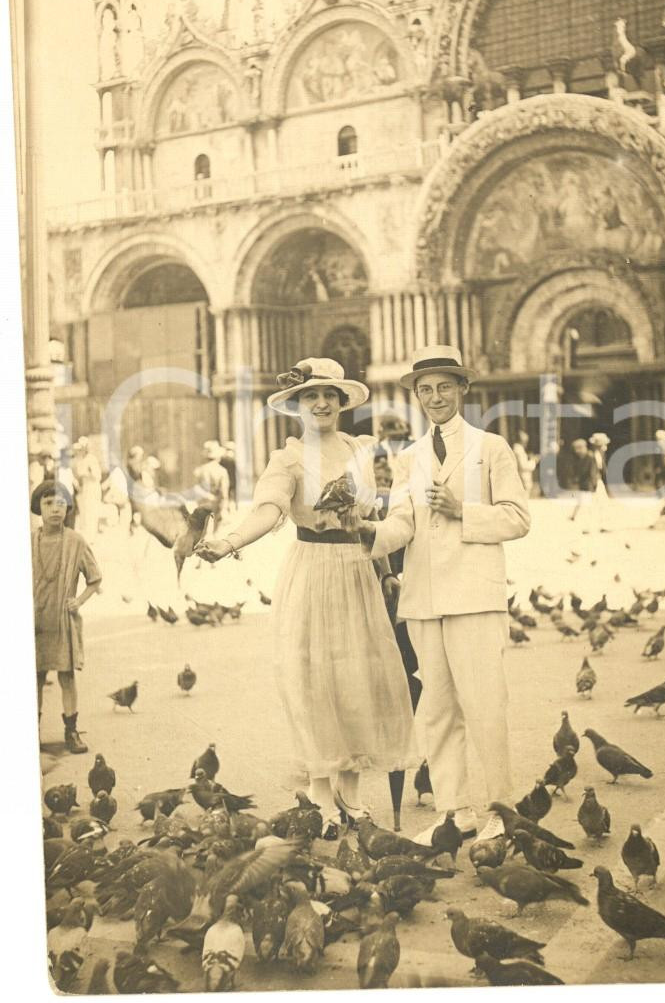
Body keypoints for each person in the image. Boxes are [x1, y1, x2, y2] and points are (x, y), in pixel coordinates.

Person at [196, 358, 418, 837]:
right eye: (311, 396)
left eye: (330, 395)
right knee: (315, 680)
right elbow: (270, 509)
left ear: (341, 402)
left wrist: (384, 572)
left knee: (358, 678)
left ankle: (352, 793)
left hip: (358, 572)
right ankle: (320, 792)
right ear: (296, 406)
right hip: (312, 572)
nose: (321, 403)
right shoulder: (288, 458)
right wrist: (228, 542)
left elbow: (369, 518)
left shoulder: (361, 451)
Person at [342, 345, 530, 845]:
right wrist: (370, 534)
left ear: (463, 388)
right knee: (438, 710)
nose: (434, 397)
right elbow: (403, 521)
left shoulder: (492, 448)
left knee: (485, 705)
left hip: (474, 595)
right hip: (424, 598)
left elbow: (518, 517)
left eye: (444, 386)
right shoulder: (409, 458)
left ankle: (500, 811)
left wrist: (462, 509)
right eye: (425, 390)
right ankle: (455, 811)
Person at [31, 480, 102, 754]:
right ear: (38, 507)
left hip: (63, 622)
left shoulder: (75, 541)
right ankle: (32, 731)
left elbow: (95, 579)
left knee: (66, 676)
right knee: (35, 677)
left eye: (61, 503)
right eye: (48, 503)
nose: (55, 509)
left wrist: (79, 601)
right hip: (35, 623)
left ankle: (71, 731)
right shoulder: (27, 541)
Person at [193, 441, 230, 531]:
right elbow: (224, 493)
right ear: (218, 457)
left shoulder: (199, 471)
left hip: (202, 505)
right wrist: (224, 508)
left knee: (202, 533)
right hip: (216, 506)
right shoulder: (222, 471)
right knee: (215, 533)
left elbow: (196, 490)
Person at [71, 437, 103, 542]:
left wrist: (87, 473)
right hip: (85, 487)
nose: (80, 451)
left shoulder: (91, 459)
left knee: (92, 511)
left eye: (82, 448)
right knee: (85, 512)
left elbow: (97, 476)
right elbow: (78, 474)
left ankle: (91, 537)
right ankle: (87, 536)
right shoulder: (81, 460)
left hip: (93, 487)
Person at [512, 429, 538, 495]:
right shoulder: (518, 450)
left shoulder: (517, 449)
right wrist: (533, 461)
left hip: (522, 479)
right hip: (523, 479)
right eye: (525, 442)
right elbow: (523, 466)